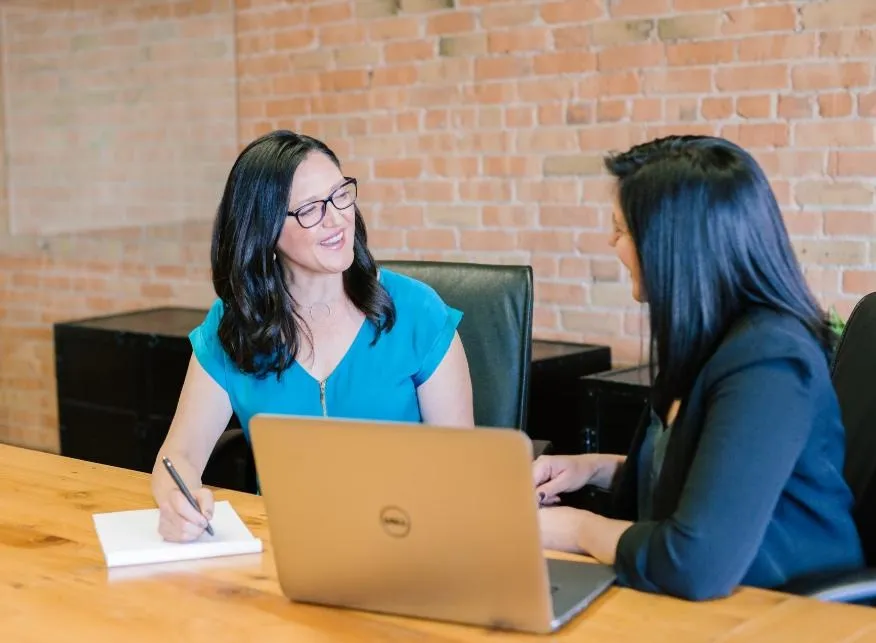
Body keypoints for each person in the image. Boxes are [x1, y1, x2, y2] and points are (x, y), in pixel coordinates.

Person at [533, 135, 865, 600]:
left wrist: (576, 529)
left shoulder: (770, 361)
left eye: (621, 229)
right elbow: (703, 475)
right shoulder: (709, 339)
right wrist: (592, 468)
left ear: (672, 246)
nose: (611, 242)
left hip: (789, 608)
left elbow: (693, 562)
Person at [152, 130, 474, 542]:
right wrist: (176, 504)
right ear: (265, 232)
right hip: (283, 549)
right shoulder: (233, 327)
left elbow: (462, 468)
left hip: (405, 542)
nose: (337, 218)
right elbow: (178, 455)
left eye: (341, 194)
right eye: (310, 209)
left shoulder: (417, 313)